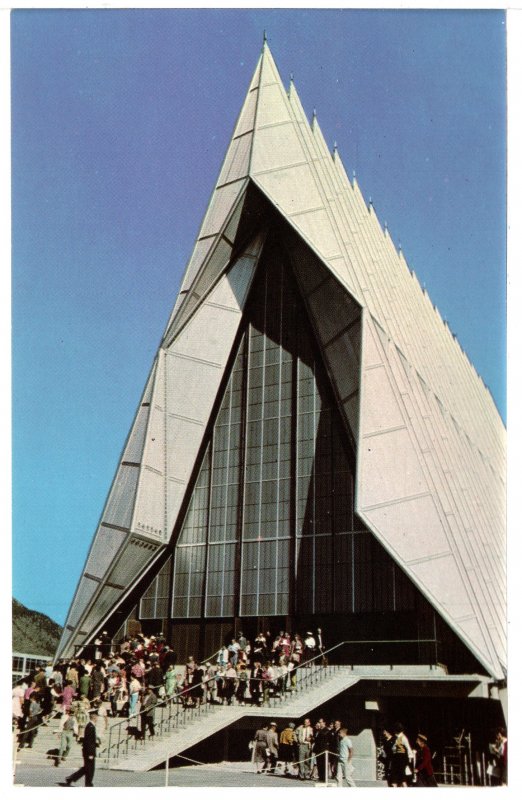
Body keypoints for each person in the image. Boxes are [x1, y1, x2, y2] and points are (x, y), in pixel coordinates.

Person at [63, 710, 101, 787]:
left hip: (89, 750)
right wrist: (90, 753)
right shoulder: (90, 726)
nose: (97, 718)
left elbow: (89, 740)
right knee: (89, 769)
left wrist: (96, 744)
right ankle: (88, 783)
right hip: (89, 752)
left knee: (87, 768)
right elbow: (88, 741)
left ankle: (71, 778)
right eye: (96, 716)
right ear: (94, 717)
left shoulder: (91, 726)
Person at [389, 722, 413, 787]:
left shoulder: (403, 737)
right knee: (396, 776)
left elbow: (408, 748)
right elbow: (394, 747)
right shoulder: (397, 737)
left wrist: (409, 759)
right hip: (397, 758)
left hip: (401, 758)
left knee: (401, 777)